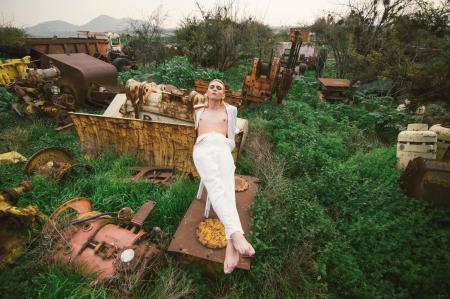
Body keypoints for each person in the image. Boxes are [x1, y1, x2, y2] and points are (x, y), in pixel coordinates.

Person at [193, 79, 255, 274]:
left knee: (226, 187)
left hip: (221, 147)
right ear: (207, 91)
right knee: (215, 184)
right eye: (212, 86)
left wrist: (224, 145)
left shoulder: (230, 111)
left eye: (219, 87)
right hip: (203, 148)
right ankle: (236, 235)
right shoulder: (198, 110)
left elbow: (231, 137)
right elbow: (197, 133)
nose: (214, 88)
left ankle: (231, 243)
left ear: (223, 94)